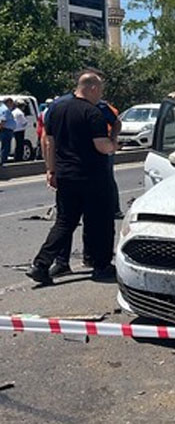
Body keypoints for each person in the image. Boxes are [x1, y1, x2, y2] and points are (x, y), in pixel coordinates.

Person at [26, 73, 119, 285]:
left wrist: (51, 171)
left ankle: (41, 265)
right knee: (100, 221)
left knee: (64, 222)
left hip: (66, 175)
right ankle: (101, 264)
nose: (101, 95)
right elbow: (102, 146)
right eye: (100, 90)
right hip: (92, 176)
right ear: (93, 88)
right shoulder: (92, 112)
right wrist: (114, 142)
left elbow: (48, 142)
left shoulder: (56, 109)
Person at [0, 98, 15, 166]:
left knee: (5, 146)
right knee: (6, 146)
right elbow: (3, 120)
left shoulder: (2, 108)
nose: (12, 104)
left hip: (5, 130)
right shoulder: (5, 109)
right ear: (8, 102)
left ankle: (3, 160)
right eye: (11, 102)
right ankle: (3, 161)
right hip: (6, 130)